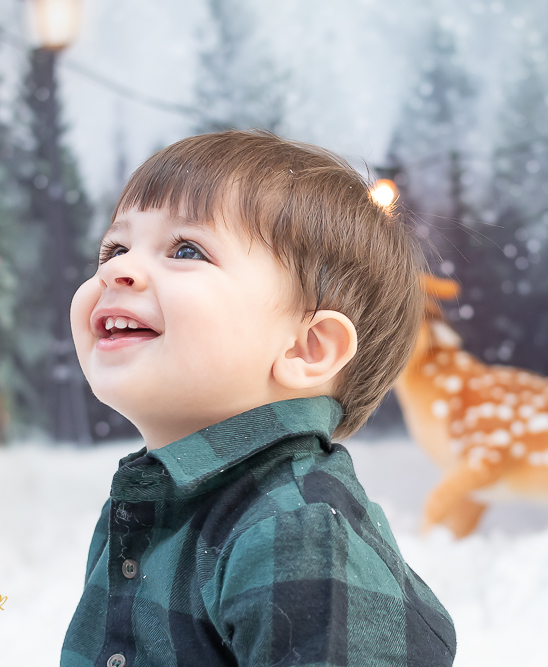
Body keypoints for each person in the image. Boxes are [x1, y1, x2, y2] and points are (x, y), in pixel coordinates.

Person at [62, 130, 456, 667]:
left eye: (185, 249)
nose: (114, 270)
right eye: (115, 247)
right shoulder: (144, 508)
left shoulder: (297, 529)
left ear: (306, 348)